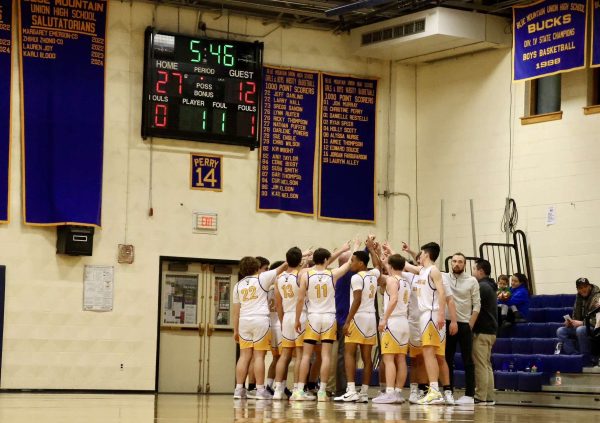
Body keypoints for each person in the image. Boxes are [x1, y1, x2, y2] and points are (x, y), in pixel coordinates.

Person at [291, 241, 357, 401]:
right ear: (327, 259)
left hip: (313, 316)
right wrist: (354, 247)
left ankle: (299, 390)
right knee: (326, 355)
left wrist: (297, 319)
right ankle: (321, 391)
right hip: (328, 317)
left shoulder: (306, 274)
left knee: (306, 356)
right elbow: (349, 263)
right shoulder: (332, 274)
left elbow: (300, 300)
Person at [233, 256, 288, 399]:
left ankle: (239, 389)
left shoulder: (238, 285)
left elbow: (236, 311)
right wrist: (300, 257)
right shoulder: (261, 278)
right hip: (260, 320)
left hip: (244, 321)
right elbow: (282, 268)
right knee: (259, 356)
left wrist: (235, 329)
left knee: (244, 357)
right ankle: (259, 390)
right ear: (257, 267)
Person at [402, 242, 446, 405]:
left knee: (429, 353)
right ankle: (433, 390)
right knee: (427, 353)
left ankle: (434, 391)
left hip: (431, 315)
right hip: (424, 316)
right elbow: (404, 265)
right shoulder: (423, 270)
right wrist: (386, 253)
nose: (418, 256)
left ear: (426, 254)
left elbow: (442, 292)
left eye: (421, 253)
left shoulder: (434, 270)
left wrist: (441, 313)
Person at [334, 247, 379, 403]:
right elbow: (378, 265)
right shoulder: (374, 274)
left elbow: (357, 299)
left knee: (349, 353)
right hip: (371, 319)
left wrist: (347, 321)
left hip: (358, 318)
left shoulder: (356, 277)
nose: (350, 263)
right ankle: (364, 393)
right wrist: (373, 250)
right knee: (367, 357)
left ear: (361, 263)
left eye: (352, 261)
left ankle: (351, 390)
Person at [443, 253, 481, 405]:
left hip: (465, 324)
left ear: (464, 264)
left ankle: (469, 394)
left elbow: (477, 305)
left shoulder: (472, 281)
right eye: (454, 261)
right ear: (450, 263)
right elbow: (422, 265)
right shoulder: (444, 277)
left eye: (460, 262)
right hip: (447, 323)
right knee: (447, 359)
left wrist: (470, 324)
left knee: (468, 360)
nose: (456, 264)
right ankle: (448, 392)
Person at [372, 253, 410, 404]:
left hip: (393, 321)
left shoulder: (392, 280)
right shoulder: (405, 281)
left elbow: (393, 299)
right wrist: (384, 263)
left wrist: (384, 318)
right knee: (400, 359)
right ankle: (398, 393)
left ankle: (389, 392)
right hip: (404, 322)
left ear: (391, 266)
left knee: (388, 359)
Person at [273, 248, 305, 400]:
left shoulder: (278, 278)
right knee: (299, 354)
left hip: (286, 317)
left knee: (284, 354)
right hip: (300, 316)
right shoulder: (301, 275)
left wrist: (281, 319)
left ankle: (278, 389)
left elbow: (278, 305)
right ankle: (297, 390)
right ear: (300, 260)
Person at [472, 259, 498, 406]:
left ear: (480, 271)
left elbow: (473, 306)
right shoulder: (491, 286)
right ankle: (488, 396)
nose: (473, 272)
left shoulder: (481, 286)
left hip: (482, 331)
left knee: (481, 365)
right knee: (486, 364)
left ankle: (480, 396)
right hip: (491, 331)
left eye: (474, 269)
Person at [557, 277, 600, 364]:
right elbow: (576, 316)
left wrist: (582, 323)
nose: (583, 289)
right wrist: (571, 322)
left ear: (589, 286)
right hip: (583, 326)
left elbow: (598, 319)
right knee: (560, 331)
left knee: (580, 329)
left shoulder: (598, 297)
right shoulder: (579, 297)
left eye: (585, 286)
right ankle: (575, 356)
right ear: (577, 289)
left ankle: (586, 358)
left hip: (595, 328)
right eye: (580, 288)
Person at [329, 251, 353, 396]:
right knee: (343, 354)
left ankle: (333, 387)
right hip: (343, 319)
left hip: (335, 317)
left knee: (334, 354)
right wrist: (366, 248)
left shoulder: (333, 274)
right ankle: (342, 388)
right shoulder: (345, 275)